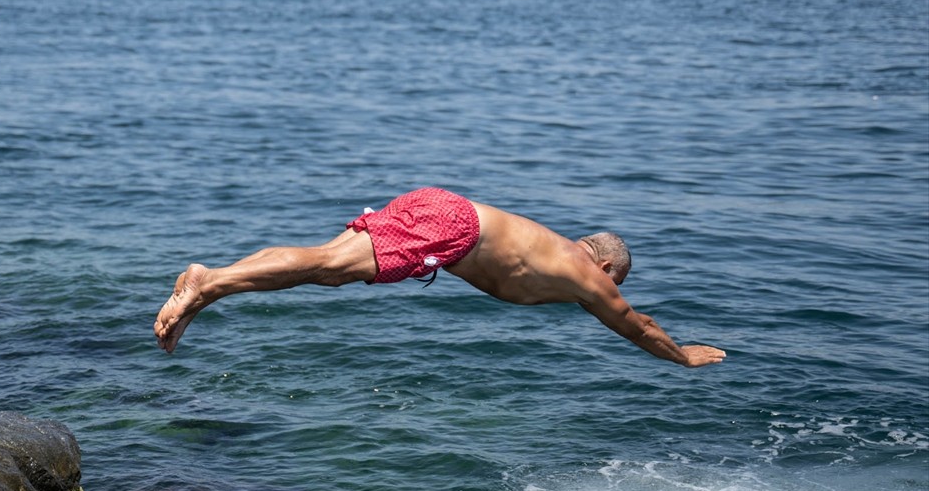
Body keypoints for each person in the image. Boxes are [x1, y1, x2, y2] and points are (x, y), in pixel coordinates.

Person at [154, 187, 726, 367]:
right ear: (606, 267)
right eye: (613, 284)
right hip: (454, 228)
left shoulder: (556, 254)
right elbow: (634, 324)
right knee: (327, 267)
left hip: (443, 208)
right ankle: (210, 280)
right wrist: (681, 355)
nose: (607, 296)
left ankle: (203, 293)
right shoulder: (588, 275)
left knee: (325, 265)